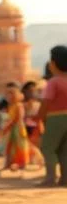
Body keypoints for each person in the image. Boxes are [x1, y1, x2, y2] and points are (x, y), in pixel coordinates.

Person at [35, 45, 67, 186]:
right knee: (64, 149)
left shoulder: (53, 82)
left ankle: (50, 177)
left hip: (55, 118)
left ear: (53, 64)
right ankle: (65, 178)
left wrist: (39, 118)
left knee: (48, 147)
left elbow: (46, 102)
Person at [0, 82, 30, 178]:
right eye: (8, 93)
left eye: (12, 93)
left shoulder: (19, 105)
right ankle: (7, 166)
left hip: (18, 130)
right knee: (10, 149)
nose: (10, 96)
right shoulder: (10, 106)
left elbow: (17, 119)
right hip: (12, 131)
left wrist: (6, 128)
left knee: (20, 148)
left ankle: (21, 169)